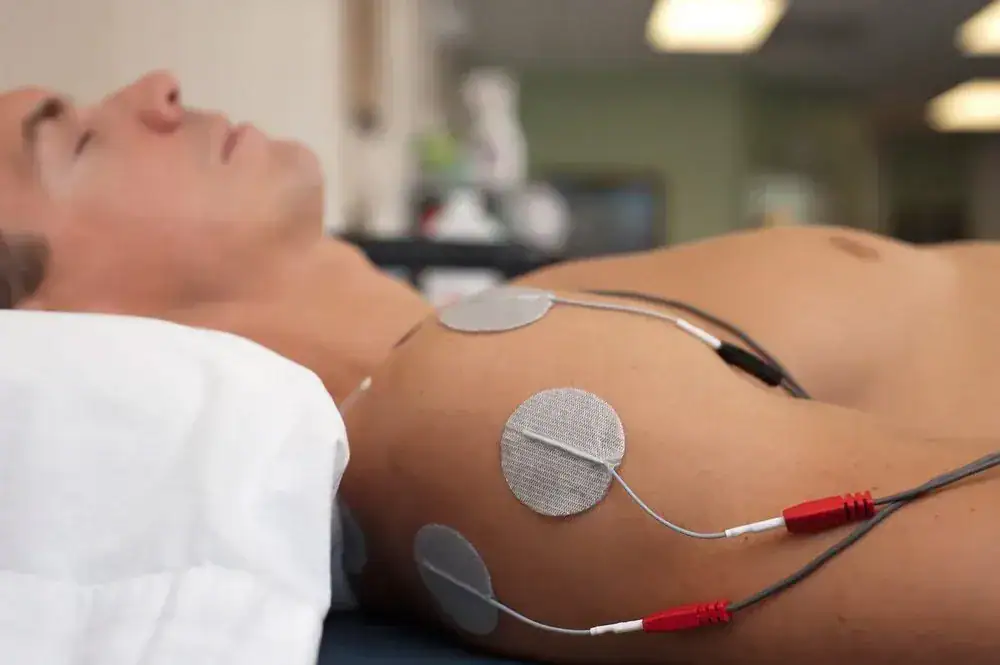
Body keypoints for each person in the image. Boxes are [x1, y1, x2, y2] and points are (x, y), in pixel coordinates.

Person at [0, 72, 997, 664]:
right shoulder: (495, 407)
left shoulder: (498, 343)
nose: (156, 89)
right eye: (78, 141)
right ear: (50, 330)